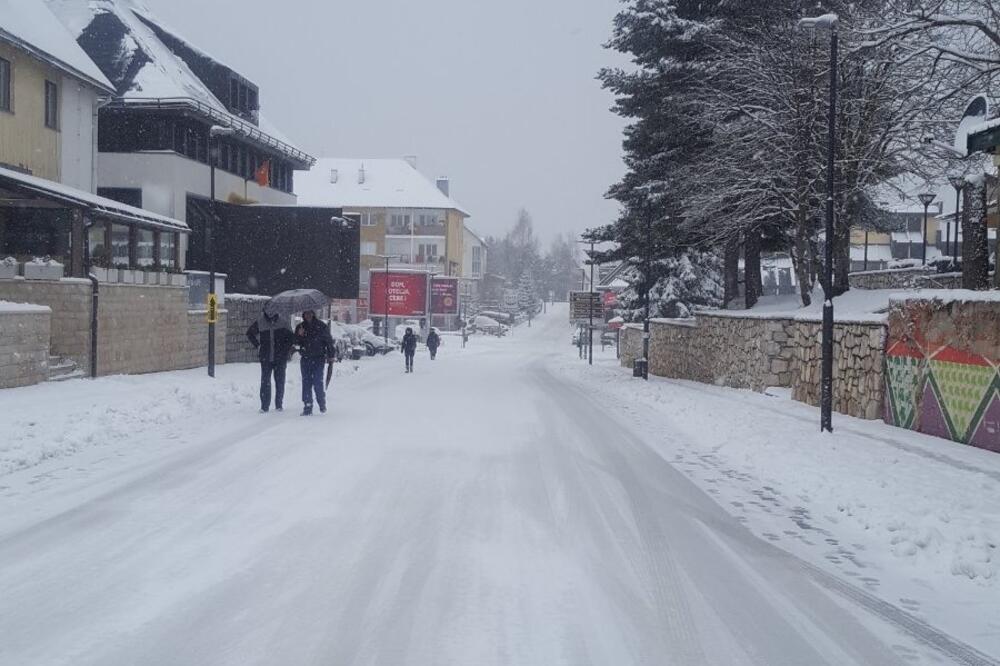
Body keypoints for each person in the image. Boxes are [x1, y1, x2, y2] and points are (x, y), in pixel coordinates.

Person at [246, 307, 294, 413]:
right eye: (268, 311)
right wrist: (258, 346)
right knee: (265, 382)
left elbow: (291, 338)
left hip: (280, 358)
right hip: (265, 357)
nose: (270, 312)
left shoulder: (283, 322)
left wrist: (285, 350)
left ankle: (279, 404)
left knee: (280, 381)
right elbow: (249, 333)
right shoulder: (260, 322)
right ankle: (264, 406)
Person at [294, 310, 336, 415]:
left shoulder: (321, 326)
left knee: (318, 382)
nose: (308, 315)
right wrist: (299, 335)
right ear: (303, 315)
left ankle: (321, 403)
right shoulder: (300, 327)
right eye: (306, 313)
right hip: (305, 359)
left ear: (313, 314)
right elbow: (295, 343)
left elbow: (329, 341)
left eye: (310, 313)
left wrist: (331, 355)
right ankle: (307, 406)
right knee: (306, 383)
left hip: (318, 359)